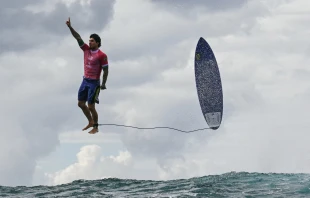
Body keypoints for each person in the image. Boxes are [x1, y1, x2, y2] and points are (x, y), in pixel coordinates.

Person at [66, 17, 109, 134]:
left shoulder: (102, 55)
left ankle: (96, 126)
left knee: (91, 106)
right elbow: (77, 37)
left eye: (92, 41)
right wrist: (70, 27)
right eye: (89, 40)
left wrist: (104, 83)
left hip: (94, 83)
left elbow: (106, 70)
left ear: (98, 43)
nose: (89, 42)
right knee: (80, 104)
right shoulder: (86, 49)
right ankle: (90, 121)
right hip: (85, 81)